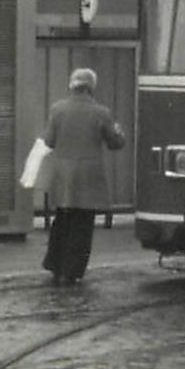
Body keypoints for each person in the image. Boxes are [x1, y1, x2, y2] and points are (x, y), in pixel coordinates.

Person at [42, 68, 126, 285]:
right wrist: (119, 132)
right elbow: (115, 144)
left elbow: (49, 141)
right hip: (89, 175)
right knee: (83, 223)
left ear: (72, 85)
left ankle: (55, 264)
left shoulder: (57, 109)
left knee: (62, 219)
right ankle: (73, 270)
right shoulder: (101, 112)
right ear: (91, 87)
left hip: (63, 174)